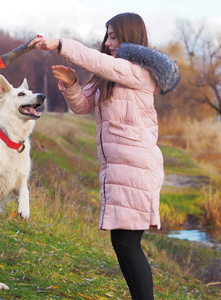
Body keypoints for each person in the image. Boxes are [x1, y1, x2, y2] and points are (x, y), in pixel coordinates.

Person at [29, 12, 180, 300]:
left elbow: (98, 61)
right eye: (107, 35)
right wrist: (72, 85)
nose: (108, 42)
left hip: (135, 167)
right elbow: (83, 106)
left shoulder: (138, 72)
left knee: (126, 243)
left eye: (114, 36)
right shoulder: (109, 76)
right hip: (119, 168)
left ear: (130, 37)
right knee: (124, 242)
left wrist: (59, 43)